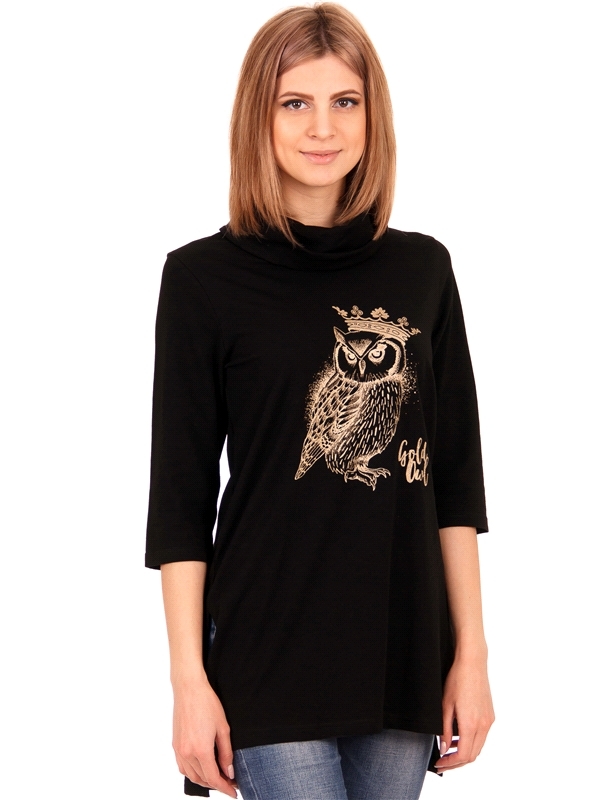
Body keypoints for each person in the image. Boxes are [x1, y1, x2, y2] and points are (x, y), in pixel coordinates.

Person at [145, 4, 494, 799]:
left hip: (400, 643)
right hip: (266, 645)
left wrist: (470, 655)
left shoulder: (422, 270)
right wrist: (188, 683)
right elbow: (180, 502)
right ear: (258, 117)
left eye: (345, 101)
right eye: (294, 102)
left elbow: (453, 482)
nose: (322, 128)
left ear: (373, 114)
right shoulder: (202, 279)